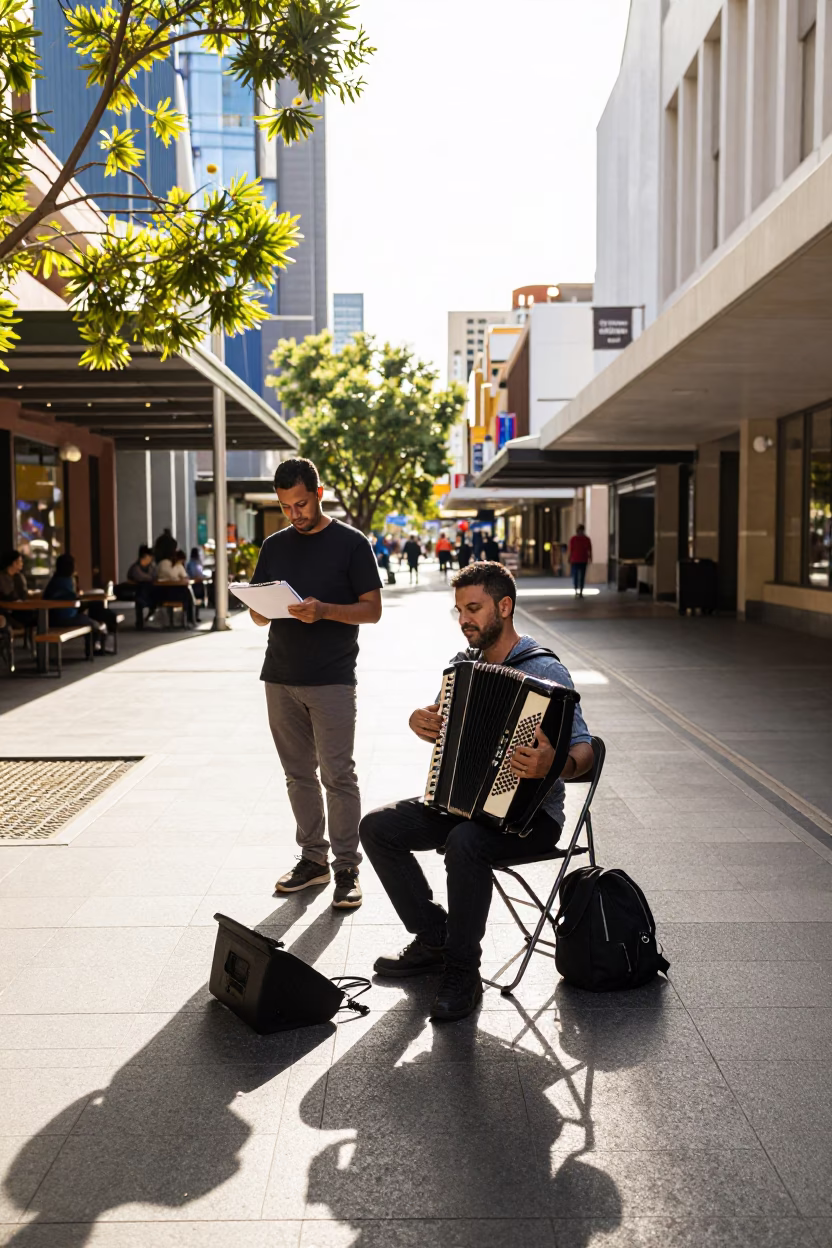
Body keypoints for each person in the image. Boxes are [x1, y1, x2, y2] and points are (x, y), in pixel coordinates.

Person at [359, 560, 593, 1022]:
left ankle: (463, 973)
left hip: (530, 821)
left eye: (473, 608)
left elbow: (585, 753)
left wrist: (554, 764)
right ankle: (434, 938)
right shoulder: (462, 667)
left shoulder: (546, 671)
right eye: (459, 610)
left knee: (466, 844)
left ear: (504, 608)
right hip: (463, 805)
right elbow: (444, 724)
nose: (464, 619)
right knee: (377, 827)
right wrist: (419, 721)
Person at [249, 457, 383, 910]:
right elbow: (256, 612)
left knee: (338, 775)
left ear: (319, 493)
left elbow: (372, 610)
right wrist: (266, 605)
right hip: (279, 675)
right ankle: (313, 860)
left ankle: (347, 867)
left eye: (301, 503)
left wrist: (325, 610)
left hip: (331, 678)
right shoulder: (274, 545)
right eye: (286, 506)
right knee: (297, 775)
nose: (295, 514)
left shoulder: (351, 542)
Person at [43, 554, 108, 653]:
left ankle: (94, 646)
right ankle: (94, 648)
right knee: (94, 623)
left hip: (54, 618)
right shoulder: (65, 581)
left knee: (91, 617)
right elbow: (73, 598)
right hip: (65, 619)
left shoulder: (55, 580)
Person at [155, 550, 196, 625]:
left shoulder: (162, 563)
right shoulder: (177, 566)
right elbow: (185, 578)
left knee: (186, 594)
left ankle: (187, 619)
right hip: (175, 593)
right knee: (187, 594)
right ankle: (189, 619)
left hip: (161, 593)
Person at [0, 550, 37, 630]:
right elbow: (7, 594)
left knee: (36, 616)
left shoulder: (20, 577)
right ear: (14, 563)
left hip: (19, 611)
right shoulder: (2, 578)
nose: (22, 563)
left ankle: (35, 641)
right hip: (5, 612)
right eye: (20, 561)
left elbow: (23, 595)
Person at [568, 524, 593, 597]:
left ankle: (578, 590)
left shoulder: (574, 539)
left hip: (577, 560)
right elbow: (589, 550)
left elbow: (571, 550)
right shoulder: (585, 539)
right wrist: (590, 557)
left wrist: (569, 558)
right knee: (581, 576)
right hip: (581, 559)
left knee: (577, 575)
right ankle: (579, 590)